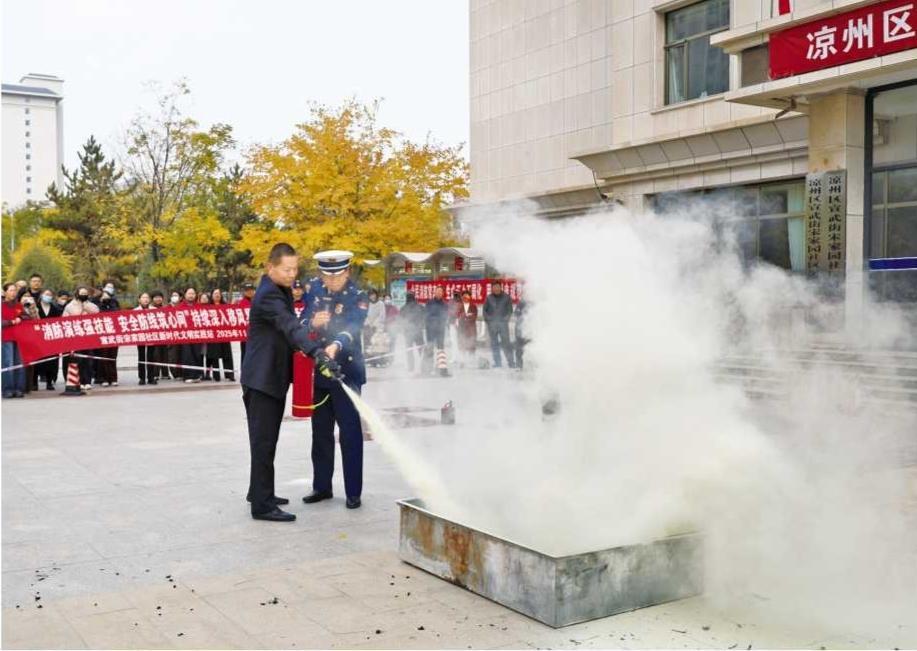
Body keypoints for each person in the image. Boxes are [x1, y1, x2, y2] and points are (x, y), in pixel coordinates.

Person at [241, 242, 337, 522]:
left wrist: (306, 342)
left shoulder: (279, 289)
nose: (292, 274)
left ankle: (259, 492)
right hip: (262, 379)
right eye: (286, 269)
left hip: (270, 377)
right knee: (263, 442)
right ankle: (262, 506)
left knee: (265, 440)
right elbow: (289, 325)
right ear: (270, 267)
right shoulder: (269, 295)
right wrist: (316, 352)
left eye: (295, 269)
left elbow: (287, 331)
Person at [300, 250, 368, 510]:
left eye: (337, 276)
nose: (331, 281)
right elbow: (302, 320)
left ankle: (353, 492)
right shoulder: (314, 289)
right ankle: (322, 486)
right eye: (327, 276)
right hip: (320, 372)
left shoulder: (357, 295)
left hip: (346, 372)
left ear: (347, 272)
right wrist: (312, 323)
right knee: (320, 432)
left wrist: (336, 344)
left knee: (350, 434)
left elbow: (354, 326)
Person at [63, 287, 100, 389]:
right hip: (76, 336)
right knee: (78, 359)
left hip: (88, 336)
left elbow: (97, 315)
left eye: (85, 293)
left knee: (88, 360)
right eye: (82, 293)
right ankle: (78, 380)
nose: (84, 295)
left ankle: (87, 381)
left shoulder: (92, 305)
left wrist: (86, 307)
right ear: (77, 294)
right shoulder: (69, 306)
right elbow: (64, 320)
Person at [2, 283, 27, 398]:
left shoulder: (19, 305)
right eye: (11, 290)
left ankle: (19, 389)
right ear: (5, 292)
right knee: (8, 363)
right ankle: (7, 389)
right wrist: (11, 322)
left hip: (19, 338)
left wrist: (20, 318)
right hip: (6, 338)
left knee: (20, 363)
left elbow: (27, 317)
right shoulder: (2, 305)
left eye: (15, 291)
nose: (13, 293)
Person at [483, 280, 515, 368]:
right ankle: (497, 362)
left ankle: (511, 362)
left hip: (503, 325)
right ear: (492, 288)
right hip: (492, 325)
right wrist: (489, 320)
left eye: (497, 287)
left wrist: (505, 320)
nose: (496, 289)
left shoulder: (506, 297)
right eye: (494, 287)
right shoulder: (489, 298)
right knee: (494, 344)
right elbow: (485, 311)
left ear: (500, 287)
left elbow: (510, 311)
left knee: (506, 344)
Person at [37, 288, 63, 390]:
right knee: (38, 360)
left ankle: (49, 381)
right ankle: (34, 382)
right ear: (41, 295)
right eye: (46, 294)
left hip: (51, 337)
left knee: (51, 361)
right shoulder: (36, 307)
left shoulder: (55, 308)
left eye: (50, 295)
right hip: (38, 337)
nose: (48, 296)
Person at [207, 288, 235, 381]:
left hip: (224, 334)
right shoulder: (207, 307)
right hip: (213, 335)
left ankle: (229, 375)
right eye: (215, 293)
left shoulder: (225, 306)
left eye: (219, 293)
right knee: (214, 356)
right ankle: (216, 376)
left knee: (227, 355)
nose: (217, 295)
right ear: (212, 295)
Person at [179, 287, 204, 383]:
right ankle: (188, 376)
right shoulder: (180, 307)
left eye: (193, 293)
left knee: (197, 354)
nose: (191, 295)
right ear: (185, 295)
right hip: (185, 336)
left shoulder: (199, 306)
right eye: (189, 293)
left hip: (197, 335)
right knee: (187, 355)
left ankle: (198, 375)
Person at [424, 286, 449, 375]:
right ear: (434, 292)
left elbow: (445, 317)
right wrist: (433, 322)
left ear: (442, 293)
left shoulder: (445, 304)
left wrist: (441, 323)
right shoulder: (429, 303)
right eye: (437, 291)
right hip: (430, 330)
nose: (439, 293)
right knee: (430, 348)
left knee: (440, 349)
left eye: (440, 292)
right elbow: (426, 316)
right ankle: (428, 368)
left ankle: (440, 368)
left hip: (440, 330)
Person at [135, 292, 159, 386]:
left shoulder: (155, 310)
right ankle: (142, 378)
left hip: (151, 336)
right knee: (141, 356)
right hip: (140, 337)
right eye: (143, 297)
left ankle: (151, 377)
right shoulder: (135, 311)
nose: (145, 299)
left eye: (147, 298)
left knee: (151, 357)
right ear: (139, 300)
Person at [400, 292, 425, 372]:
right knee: (421, 350)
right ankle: (424, 366)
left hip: (408, 332)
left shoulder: (403, 308)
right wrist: (421, 326)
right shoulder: (420, 307)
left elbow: (401, 321)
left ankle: (411, 367)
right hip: (418, 332)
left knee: (409, 350)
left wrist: (404, 329)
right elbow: (424, 318)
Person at [456, 290, 478, 366]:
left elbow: (474, 316)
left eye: (467, 296)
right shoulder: (459, 306)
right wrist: (465, 315)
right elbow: (457, 315)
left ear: (470, 297)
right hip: (461, 328)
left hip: (471, 328)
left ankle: (471, 360)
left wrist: (466, 316)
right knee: (462, 344)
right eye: (464, 296)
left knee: (472, 344)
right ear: (462, 297)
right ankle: (462, 360)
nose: (466, 298)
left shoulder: (473, 306)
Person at [237, 282, 255, 367]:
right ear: (244, 292)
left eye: (251, 290)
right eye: (247, 290)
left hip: (257, 334)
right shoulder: (241, 303)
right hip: (245, 335)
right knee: (245, 355)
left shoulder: (257, 301)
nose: (250, 292)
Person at [514, 297, 529, 370]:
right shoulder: (522, 302)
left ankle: (532, 364)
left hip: (531, 330)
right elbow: (516, 312)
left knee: (531, 347)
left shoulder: (536, 302)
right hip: (520, 328)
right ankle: (519, 365)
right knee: (519, 348)